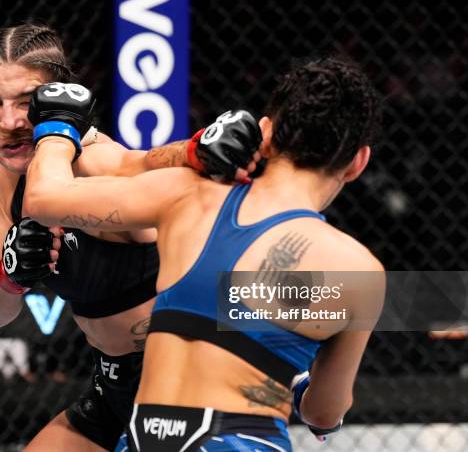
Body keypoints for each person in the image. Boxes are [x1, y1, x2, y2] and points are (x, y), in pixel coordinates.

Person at [22, 56, 386, 451]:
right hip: (242, 439)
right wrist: (297, 385)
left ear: (264, 131)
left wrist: (56, 130)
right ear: (357, 163)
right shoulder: (356, 270)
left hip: (145, 438)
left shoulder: (188, 195)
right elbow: (323, 412)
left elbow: (44, 199)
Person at [0, 23, 256, 452]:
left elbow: (137, 166)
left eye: (27, 103)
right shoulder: (7, 180)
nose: (8, 122)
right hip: (112, 389)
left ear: (58, 99)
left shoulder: (92, 161)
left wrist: (193, 151)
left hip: (183, 385)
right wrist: (13, 276)